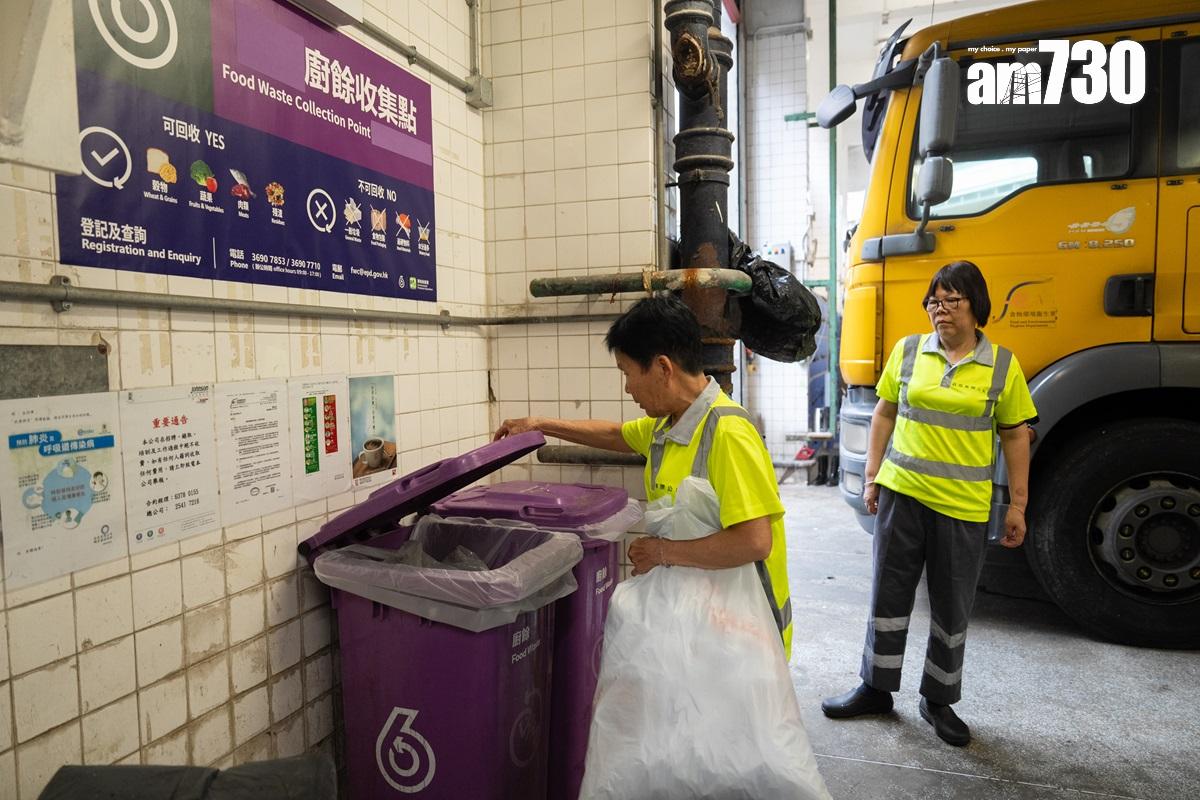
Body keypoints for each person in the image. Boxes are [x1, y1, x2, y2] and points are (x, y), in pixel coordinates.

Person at [494, 294, 794, 653]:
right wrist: (539, 424)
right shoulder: (668, 426)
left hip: (749, 635)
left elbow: (754, 542)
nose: (627, 387)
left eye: (627, 373)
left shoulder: (728, 432)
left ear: (663, 368)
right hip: (707, 621)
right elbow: (614, 434)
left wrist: (662, 552)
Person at [821, 260, 1036, 747]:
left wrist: (1017, 506)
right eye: (933, 301)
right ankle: (876, 688)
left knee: (952, 608)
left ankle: (938, 699)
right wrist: (872, 477)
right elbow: (884, 413)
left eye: (951, 300)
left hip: (962, 505)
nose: (941, 310)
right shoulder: (908, 351)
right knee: (887, 596)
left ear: (976, 306)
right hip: (902, 495)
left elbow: (1015, 436)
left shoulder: (1002, 366)